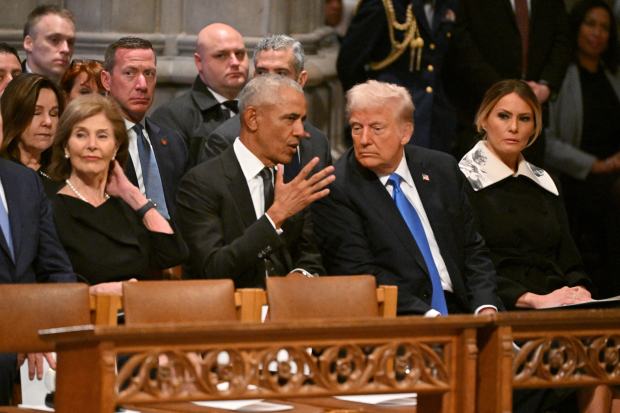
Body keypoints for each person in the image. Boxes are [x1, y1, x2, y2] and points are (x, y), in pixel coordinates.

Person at [312, 79, 500, 316]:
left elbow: (472, 248)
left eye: (377, 128)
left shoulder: (441, 169)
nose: (364, 139)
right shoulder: (338, 188)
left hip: (465, 308)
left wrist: (485, 305)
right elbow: (361, 276)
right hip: (402, 319)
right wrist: (431, 318)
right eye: (357, 127)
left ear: (406, 132)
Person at [176, 75, 334, 286]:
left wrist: (299, 277)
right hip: (230, 313)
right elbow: (213, 268)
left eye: (302, 120)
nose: (300, 132)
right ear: (252, 119)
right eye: (290, 119)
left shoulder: (290, 183)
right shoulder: (200, 184)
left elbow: (310, 258)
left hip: (290, 311)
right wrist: (276, 216)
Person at [47, 94, 187, 292]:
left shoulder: (125, 205)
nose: (92, 145)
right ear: (65, 146)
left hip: (137, 313)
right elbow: (49, 281)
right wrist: (97, 292)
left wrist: (133, 195)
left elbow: (173, 253)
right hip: (86, 315)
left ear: (116, 147)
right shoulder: (50, 208)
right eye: (81, 135)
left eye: (102, 136)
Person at [544, 0, 620, 298]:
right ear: (576, 27)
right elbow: (548, 142)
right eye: (590, 24)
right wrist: (597, 165)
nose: (597, 33)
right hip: (576, 176)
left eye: (604, 27)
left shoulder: (613, 75)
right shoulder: (560, 77)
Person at [446, 0, 571, 164]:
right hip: (477, 108)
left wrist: (546, 85)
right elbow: (462, 41)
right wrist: (502, 91)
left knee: (526, 183)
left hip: (534, 110)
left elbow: (562, 38)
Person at [0, 155, 75, 405]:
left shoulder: (24, 180)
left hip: (34, 328)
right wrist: (15, 335)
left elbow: (56, 268)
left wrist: (46, 331)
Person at [206, 34, 332, 181]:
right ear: (254, 78)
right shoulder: (226, 141)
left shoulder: (318, 142)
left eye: (281, 74)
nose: (269, 82)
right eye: (262, 73)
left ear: (301, 80)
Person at [337, 0, 458, 152]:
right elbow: (349, 63)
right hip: (390, 120)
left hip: (436, 123)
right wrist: (366, 109)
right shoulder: (384, 6)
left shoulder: (448, 5)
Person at [101, 37, 188, 220]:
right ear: (106, 80)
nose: (142, 85)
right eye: (129, 73)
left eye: (149, 73)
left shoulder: (172, 141)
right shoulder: (95, 142)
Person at [151, 23, 249, 167]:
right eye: (221, 55)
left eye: (240, 54)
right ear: (199, 62)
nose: (235, 62)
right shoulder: (172, 117)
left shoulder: (260, 109)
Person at [0, 73, 65, 193]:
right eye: (36, 112)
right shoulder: (3, 172)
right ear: (14, 115)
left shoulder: (65, 172)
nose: (48, 122)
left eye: (54, 113)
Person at [22, 5, 76, 84]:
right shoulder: (7, 87)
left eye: (70, 42)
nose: (66, 49)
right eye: (54, 40)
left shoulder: (76, 89)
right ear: (29, 43)